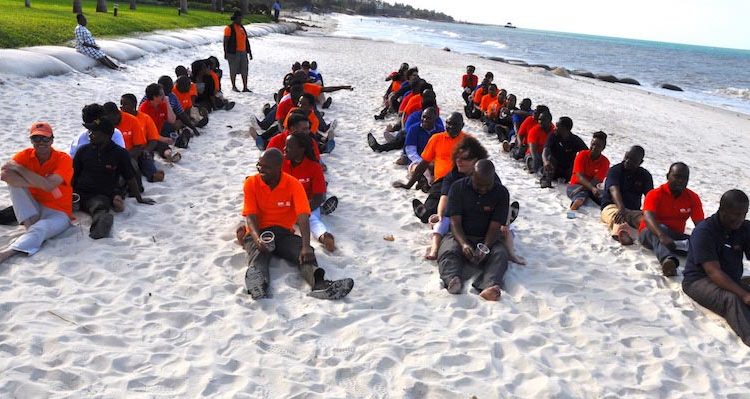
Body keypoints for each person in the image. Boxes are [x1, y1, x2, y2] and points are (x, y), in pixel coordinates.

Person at [241, 148, 353, 300]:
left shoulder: (293, 184)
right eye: (259, 165)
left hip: (284, 233)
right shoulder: (251, 183)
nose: (261, 170)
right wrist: (257, 238)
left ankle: (320, 285)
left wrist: (306, 246)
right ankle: (259, 285)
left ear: (278, 167)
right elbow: (251, 216)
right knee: (258, 255)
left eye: (266, 167)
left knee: (305, 253)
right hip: (259, 232)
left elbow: (303, 217)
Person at [682, 190, 750, 346]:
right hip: (699, 280)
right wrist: (744, 294)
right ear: (722, 210)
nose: (739, 219)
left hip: (730, 278)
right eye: (735, 214)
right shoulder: (704, 231)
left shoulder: (744, 228)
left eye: (743, 214)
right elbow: (713, 272)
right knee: (732, 298)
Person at [0, 122, 72, 264]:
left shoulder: (63, 158)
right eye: (36, 139)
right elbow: (4, 175)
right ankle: (29, 226)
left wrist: (21, 170)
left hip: (59, 212)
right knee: (14, 186)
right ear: (31, 140)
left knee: (41, 228)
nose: (41, 143)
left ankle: (7, 253)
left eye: (45, 139)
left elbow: (50, 185)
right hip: (34, 208)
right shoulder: (25, 155)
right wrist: (41, 183)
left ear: (52, 140)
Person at [438, 159, 510, 301]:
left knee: (500, 255)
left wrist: (485, 247)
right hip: (460, 234)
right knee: (448, 251)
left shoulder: (501, 193)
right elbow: (454, 221)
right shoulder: (457, 188)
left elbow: (495, 225)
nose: (483, 189)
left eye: (487, 186)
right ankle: (453, 279)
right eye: (479, 185)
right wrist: (464, 244)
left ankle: (488, 286)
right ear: (472, 176)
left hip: (487, 238)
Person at [72, 118, 155, 239]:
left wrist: (139, 198)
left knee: (99, 208)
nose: (90, 134)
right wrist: (69, 193)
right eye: (90, 131)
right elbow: (73, 174)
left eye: (94, 132)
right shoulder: (83, 151)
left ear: (106, 135)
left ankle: (99, 229)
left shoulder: (120, 153)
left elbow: (130, 177)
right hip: (78, 192)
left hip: (100, 194)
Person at [393, 112, 468, 223]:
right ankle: (424, 209)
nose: (450, 127)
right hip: (441, 182)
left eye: (455, 124)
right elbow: (423, 164)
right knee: (427, 214)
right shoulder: (436, 139)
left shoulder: (468, 141)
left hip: (462, 181)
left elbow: (479, 165)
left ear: (462, 125)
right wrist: (408, 185)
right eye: (448, 123)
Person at [639, 162, 704, 276]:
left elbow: (700, 225)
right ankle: (668, 261)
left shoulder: (693, 197)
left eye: (685, 178)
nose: (681, 181)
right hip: (650, 233)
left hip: (674, 236)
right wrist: (661, 235)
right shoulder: (655, 194)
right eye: (677, 176)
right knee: (661, 229)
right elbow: (648, 218)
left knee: (699, 241)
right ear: (668, 176)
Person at [283, 134, 336, 251]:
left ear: (301, 150)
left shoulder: (314, 167)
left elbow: (318, 197)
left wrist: (302, 212)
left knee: (310, 219)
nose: (284, 149)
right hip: (285, 203)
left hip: (308, 203)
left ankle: (324, 236)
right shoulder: (281, 164)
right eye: (285, 146)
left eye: (289, 147)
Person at [599, 146, 653, 245]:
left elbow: (651, 197)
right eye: (626, 157)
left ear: (640, 162)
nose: (627, 161)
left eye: (633, 160)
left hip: (632, 211)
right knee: (616, 217)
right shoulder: (615, 170)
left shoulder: (645, 176)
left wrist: (648, 213)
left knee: (646, 220)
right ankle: (621, 233)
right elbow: (613, 189)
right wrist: (621, 208)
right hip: (612, 206)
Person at [566, 131, 609, 210]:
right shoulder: (582, 155)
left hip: (592, 187)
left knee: (606, 198)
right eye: (593, 144)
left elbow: (596, 180)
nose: (594, 147)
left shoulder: (605, 162)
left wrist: (587, 188)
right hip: (576, 185)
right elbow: (580, 177)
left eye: (598, 146)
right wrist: (590, 188)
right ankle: (574, 207)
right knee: (580, 196)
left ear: (603, 148)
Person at [540, 116, 587, 188]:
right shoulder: (553, 136)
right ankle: (546, 180)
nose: (554, 128)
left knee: (578, 161)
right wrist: (545, 161)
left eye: (557, 126)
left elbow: (587, 154)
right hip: (552, 168)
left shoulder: (575, 140)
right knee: (550, 158)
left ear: (564, 129)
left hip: (567, 171)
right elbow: (545, 150)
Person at [224, 11, 253, 93]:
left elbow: (246, 41)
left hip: (243, 52)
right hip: (233, 52)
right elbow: (225, 41)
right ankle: (234, 86)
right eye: (239, 18)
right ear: (235, 18)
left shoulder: (242, 28)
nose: (241, 19)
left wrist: (249, 52)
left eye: (241, 18)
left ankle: (245, 87)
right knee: (233, 69)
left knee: (245, 69)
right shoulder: (229, 28)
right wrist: (225, 52)